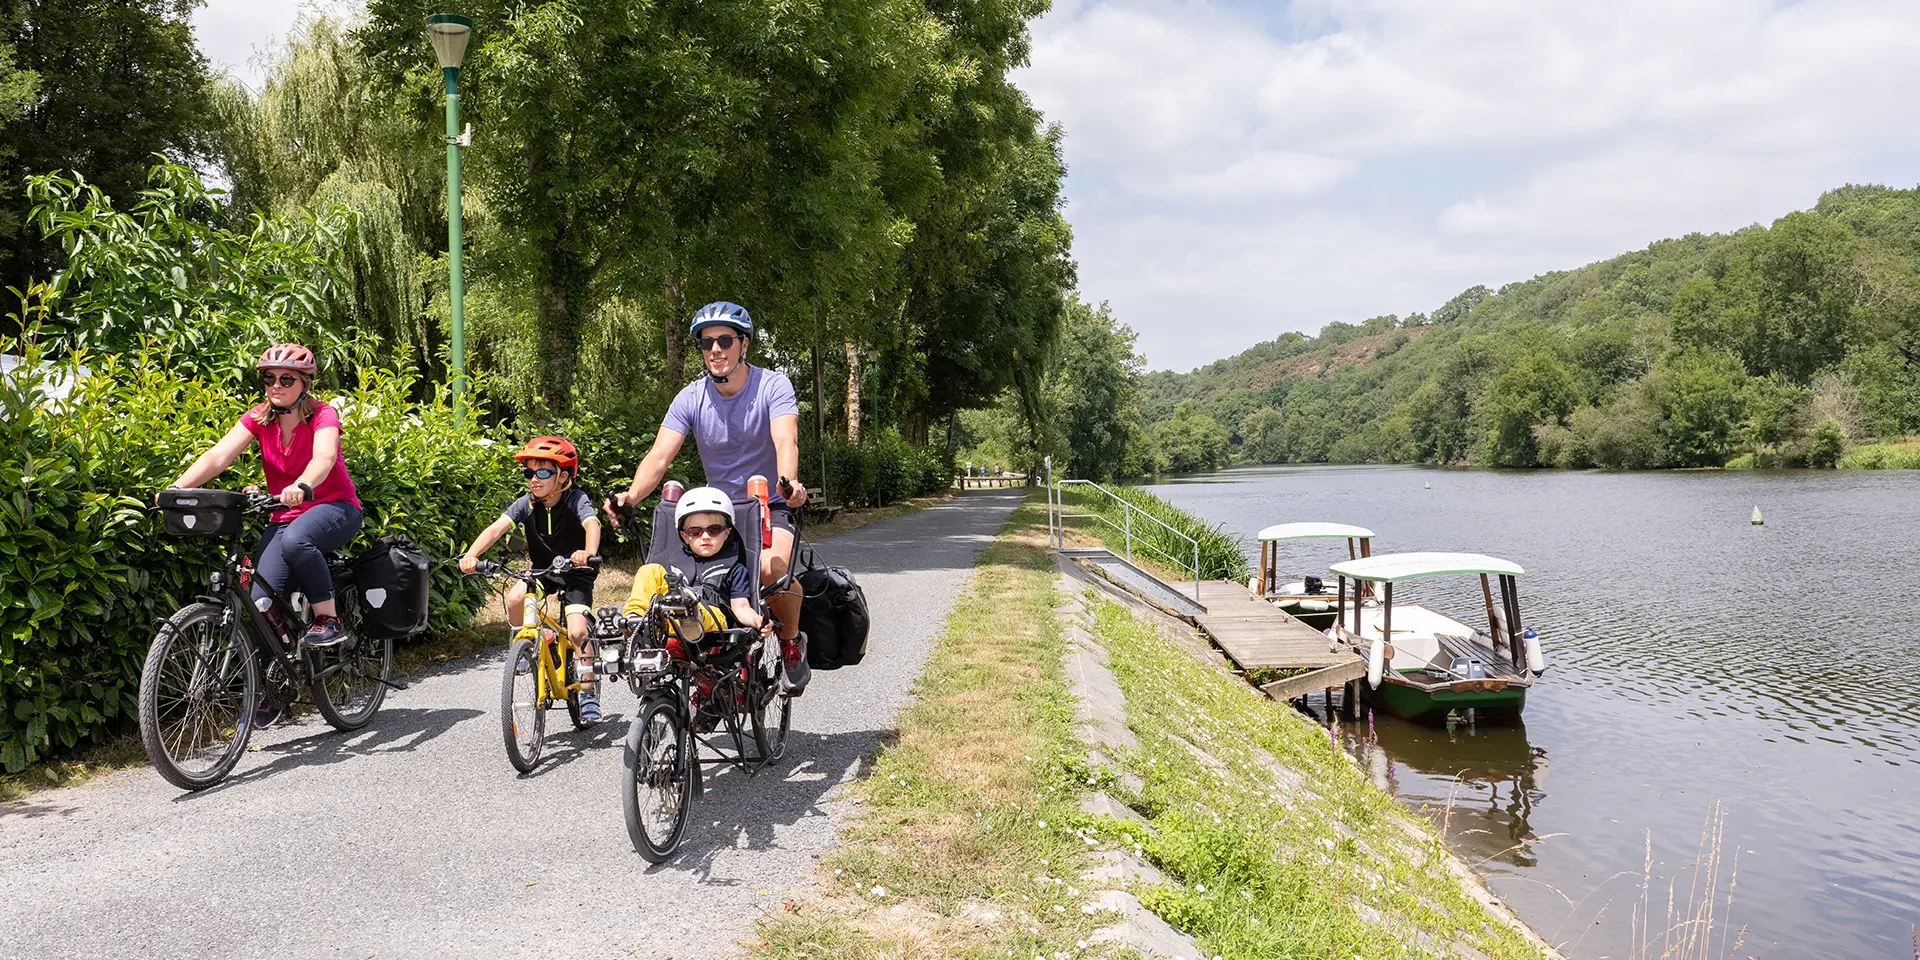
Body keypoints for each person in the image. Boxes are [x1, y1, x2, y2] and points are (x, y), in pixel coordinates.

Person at [609, 301, 811, 694]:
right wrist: (630, 497)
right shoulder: (691, 396)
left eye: (724, 340)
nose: (715, 350)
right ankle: (705, 671)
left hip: (768, 501)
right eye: (706, 343)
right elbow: (660, 455)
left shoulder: (773, 385)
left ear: (744, 345)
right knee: (678, 582)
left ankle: (790, 641)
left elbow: (785, 438)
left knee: (771, 570)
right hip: (717, 510)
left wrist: (788, 481)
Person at [169, 344, 363, 723]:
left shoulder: (323, 414)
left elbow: (324, 458)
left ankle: (328, 619)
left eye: (286, 378)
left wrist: (304, 484)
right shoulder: (258, 418)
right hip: (285, 514)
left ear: (305, 383)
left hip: (335, 507)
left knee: (296, 541)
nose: (276, 385)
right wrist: (176, 490)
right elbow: (217, 456)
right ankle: (275, 688)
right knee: (259, 604)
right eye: (269, 378)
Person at [458, 436, 605, 723]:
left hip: (577, 572)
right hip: (543, 571)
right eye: (529, 473)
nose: (533, 479)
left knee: (576, 631)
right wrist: (471, 554)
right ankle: (533, 646)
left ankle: (587, 690)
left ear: (562, 476)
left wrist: (588, 553)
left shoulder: (576, 499)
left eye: (542, 472)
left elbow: (592, 523)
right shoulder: (526, 504)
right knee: (514, 598)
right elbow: (497, 528)